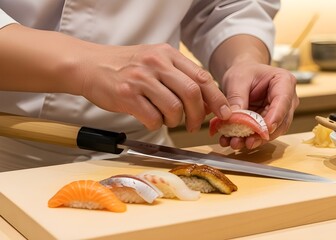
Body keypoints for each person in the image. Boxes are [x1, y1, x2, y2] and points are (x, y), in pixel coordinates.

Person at [0, 0, 299, 171]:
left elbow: (226, 5)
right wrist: (85, 65)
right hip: (9, 154)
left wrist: (243, 59)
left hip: (144, 156)